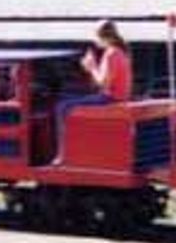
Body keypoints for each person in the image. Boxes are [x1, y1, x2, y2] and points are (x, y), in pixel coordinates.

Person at [55, 20, 133, 151]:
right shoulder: (120, 52)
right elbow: (100, 83)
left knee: (62, 106)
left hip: (111, 98)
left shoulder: (111, 54)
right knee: (71, 98)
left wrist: (91, 67)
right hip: (115, 96)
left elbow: (102, 82)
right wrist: (91, 67)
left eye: (95, 37)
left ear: (104, 37)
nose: (94, 41)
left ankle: (63, 152)